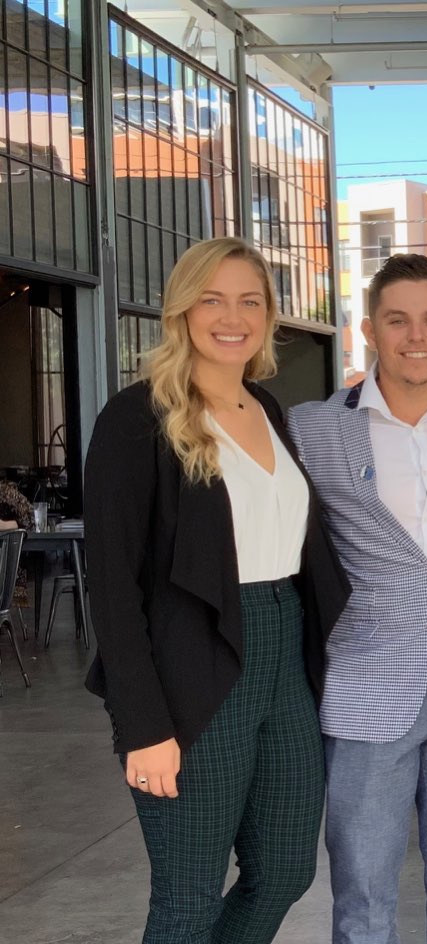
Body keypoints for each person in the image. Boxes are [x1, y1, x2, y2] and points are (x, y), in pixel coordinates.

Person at [82, 236, 349, 943]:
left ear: (269, 316)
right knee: (188, 900)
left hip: (282, 655)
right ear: (181, 310)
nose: (232, 316)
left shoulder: (266, 406)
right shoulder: (137, 418)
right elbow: (112, 586)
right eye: (212, 299)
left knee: (286, 869)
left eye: (249, 301)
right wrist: (143, 725)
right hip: (191, 669)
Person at [288, 253, 427, 944]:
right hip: (364, 690)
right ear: (368, 330)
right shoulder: (312, 429)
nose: (415, 336)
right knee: (362, 900)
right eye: (397, 320)